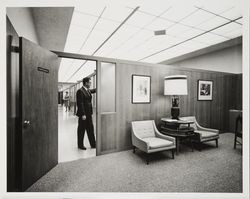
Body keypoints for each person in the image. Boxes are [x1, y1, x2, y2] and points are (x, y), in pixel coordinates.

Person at [76, 77, 96, 150]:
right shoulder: (80, 91)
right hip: (83, 115)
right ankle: (80, 145)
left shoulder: (87, 90)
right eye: (90, 82)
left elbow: (93, 90)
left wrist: (100, 86)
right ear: (86, 83)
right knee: (81, 130)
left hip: (89, 113)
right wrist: (83, 114)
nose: (90, 84)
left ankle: (93, 144)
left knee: (90, 129)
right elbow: (80, 103)